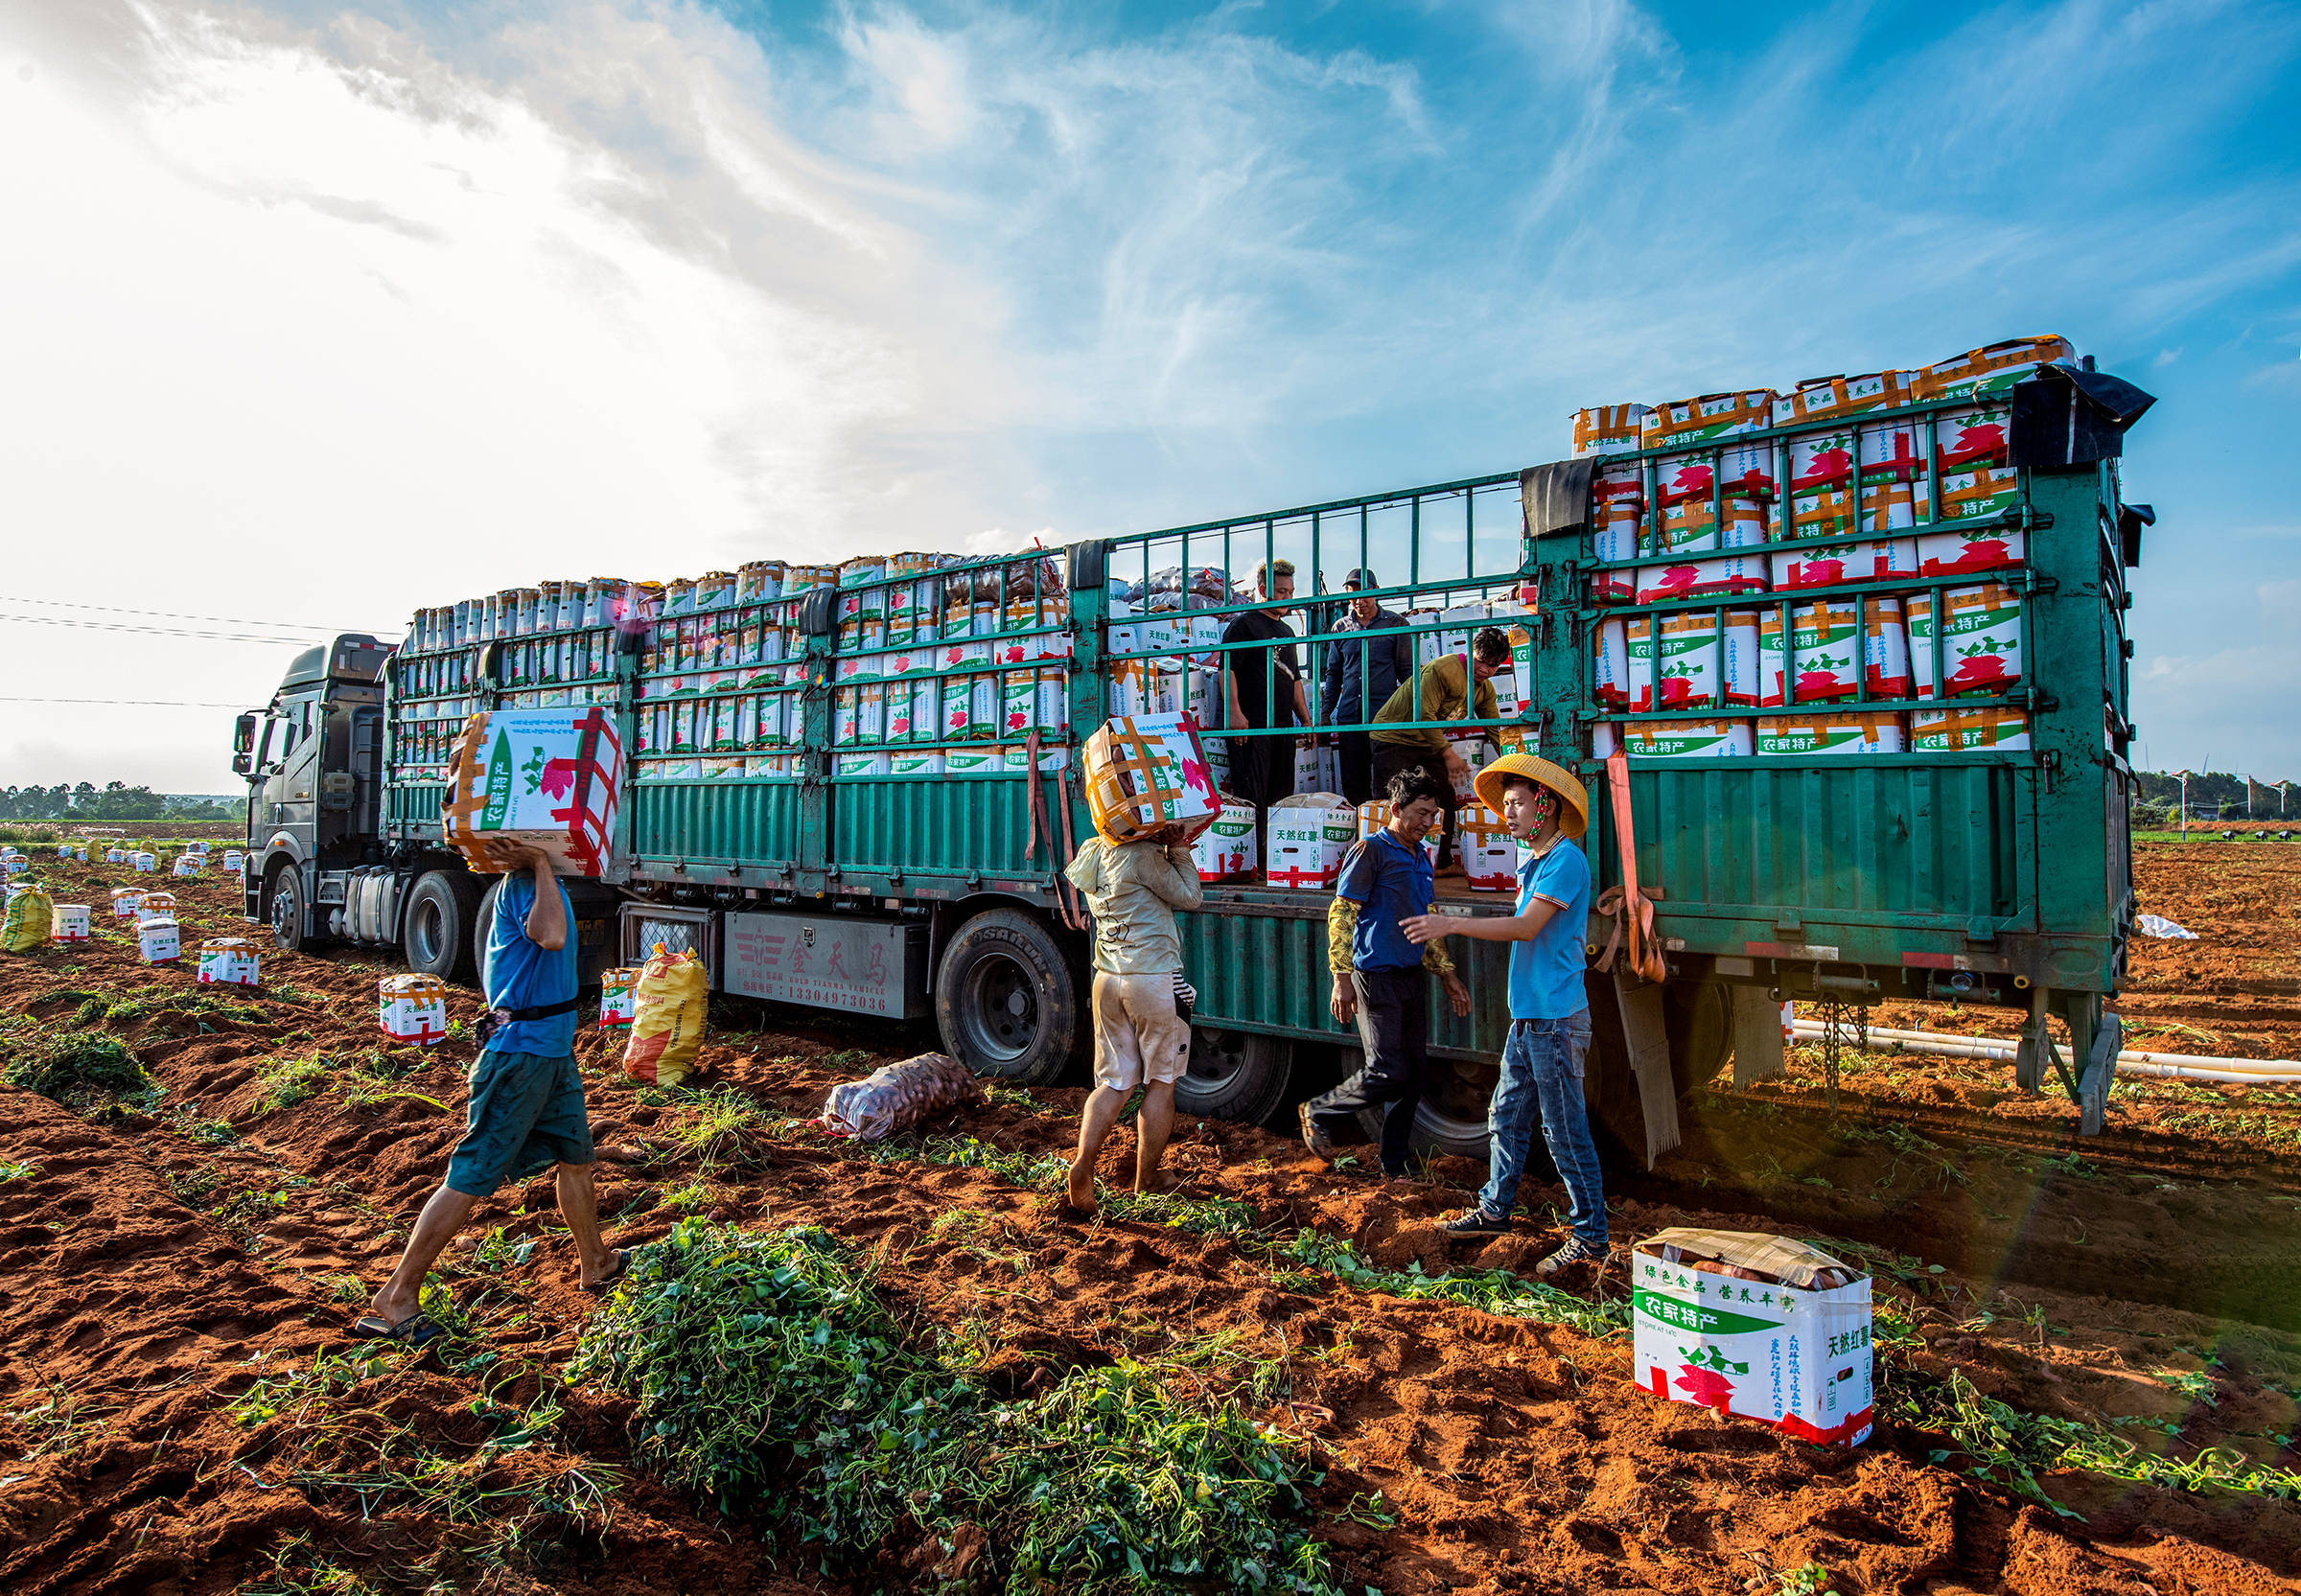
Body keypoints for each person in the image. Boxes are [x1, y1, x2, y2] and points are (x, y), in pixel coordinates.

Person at [356, 844, 623, 1343]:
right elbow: (552, 935)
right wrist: (541, 861)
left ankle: (596, 1262)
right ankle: (396, 1297)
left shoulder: (543, 883)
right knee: (474, 1172)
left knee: (576, 1156)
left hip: (551, 1052)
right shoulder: (525, 884)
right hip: (520, 1056)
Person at [1400, 753, 1601, 1277]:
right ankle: (1494, 1211)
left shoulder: (1566, 861)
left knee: (1563, 1131)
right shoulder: (1534, 861)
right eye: (1505, 804)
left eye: (1516, 805)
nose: (1506, 814)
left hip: (1555, 1019)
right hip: (1531, 1017)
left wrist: (1450, 924)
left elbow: (1526, 928)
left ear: (1545, 805)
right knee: (1505, 1117)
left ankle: (1591, 1238)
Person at [1298, 766, 1470, 1177]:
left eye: (1434, 816)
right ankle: (1319, 1109)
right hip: (1375, 977)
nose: (1429, 824)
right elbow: (1342, 914)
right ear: (1396, 809)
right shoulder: (1370, 851)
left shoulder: (1421, 856)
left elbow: (1426, 918)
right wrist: (1341, 979)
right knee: (1387, 1069)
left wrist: (1446, 974)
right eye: (1423, 813)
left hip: (1410, 975)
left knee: (1412, 1075)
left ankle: (1393, 1165)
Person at [1062, 828, 1205, 1214]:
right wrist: (1177, 848)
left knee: (1114, 1083)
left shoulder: (1092, 850)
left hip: (1107, 979)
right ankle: (1148, 1178)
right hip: (1154, 980)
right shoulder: (1144, 857)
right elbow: (1191, 897)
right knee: (1161, 1083)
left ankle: (1083, 1164)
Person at [1369, 625, 1511, 869]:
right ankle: (1381, 863)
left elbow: (1495, 729)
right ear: (1471, 652)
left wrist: (1511, 763)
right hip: (1394, 738)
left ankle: (1441, 863)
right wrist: (1448, 754)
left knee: (1444, 796)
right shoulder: (1443, 670)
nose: (1486, 670)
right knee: (1392, 799)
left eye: (1494, 665)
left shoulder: (1484, 690)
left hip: (1427, 744)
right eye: (1481, 662)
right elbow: (1424, 715)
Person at [1222, 560, 1310, 828]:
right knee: (1253, 797)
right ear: (1263, 590)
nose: (1288, 598)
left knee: (1281, 797)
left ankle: (1275, 863)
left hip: (1282, 729)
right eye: (1282, 591)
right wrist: (1234, 713)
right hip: (1253, 727)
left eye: (1291, 592)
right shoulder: (1244, 626)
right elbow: (1227, 670)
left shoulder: (1287, 632)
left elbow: (1294, 680)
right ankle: (1254, 864)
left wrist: (1306, 720)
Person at [1317, 568, 1412, 805]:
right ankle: (1360, 834)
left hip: (1385, 717)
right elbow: (1334, 674)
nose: (1359, 600)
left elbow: (1407, 674)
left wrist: (1412, 714)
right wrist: (1326, 713)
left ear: (1376, 592)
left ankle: (1385, 836)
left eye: (1365, 593)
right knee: (1352, 782)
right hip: (1351, 717)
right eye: (1353, 594)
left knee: (1388, 783)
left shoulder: (1395, 624)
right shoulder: (1340, 628)